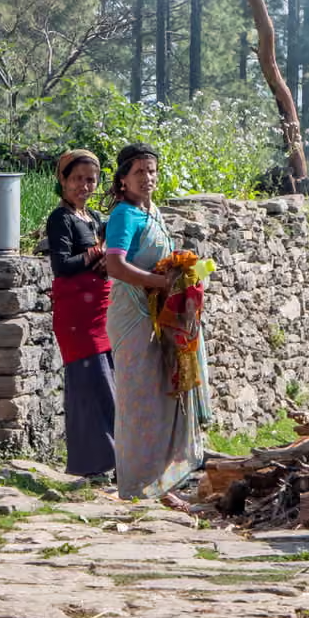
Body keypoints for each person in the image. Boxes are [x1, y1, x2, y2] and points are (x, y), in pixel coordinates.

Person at [102, 143, 208, 505]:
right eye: (139, 172)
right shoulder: (124, 215)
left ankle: (161, 482)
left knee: (162, 396)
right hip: (133, 315)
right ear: (123, 179)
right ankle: (136, 483)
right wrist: (162, 283)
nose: (147, 178)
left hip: (156, 314)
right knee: (138, 400)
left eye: (151, 171)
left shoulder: (153, 213)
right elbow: (114, 265)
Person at [44, 150, 116, 482]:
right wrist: (95, 254)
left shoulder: (94, 217)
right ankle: (91, 464)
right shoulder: (61, 219)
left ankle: (111, 459)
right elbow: (62, 265)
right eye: (77, 179)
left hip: (98, 314)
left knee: (106, 383)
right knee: (89, 384)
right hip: (77, 318)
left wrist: (103, 260)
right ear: (62, 179)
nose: (84, 186)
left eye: (90, 180)